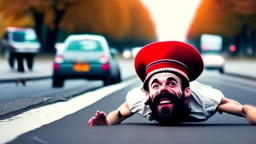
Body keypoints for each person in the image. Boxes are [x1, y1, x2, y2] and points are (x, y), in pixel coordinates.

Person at [88, 41, 256, 126]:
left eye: (171, 83)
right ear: (147, 95)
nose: (163, 90)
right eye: (155, 85)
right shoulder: (138, 100)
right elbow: (118, 113)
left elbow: (242, 109)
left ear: (187, 91)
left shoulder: (206, 99)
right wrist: (106, 123)